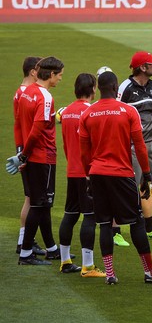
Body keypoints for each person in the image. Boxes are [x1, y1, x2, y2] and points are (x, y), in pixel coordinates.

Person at [79, 71, 152, 285]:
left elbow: (84, 151)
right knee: (137, 222)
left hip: (97, 173)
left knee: (104, 223)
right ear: (115, 87)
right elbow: (139, 146)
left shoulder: (88, 113)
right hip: (121, 174)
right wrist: (146, 175)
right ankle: (150, 272)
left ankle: (110, 273)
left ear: (98, 88)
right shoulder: (128, 111)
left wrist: (88, 176)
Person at [8, 57, 64, 266]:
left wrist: (22, 153)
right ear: (50, 74)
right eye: (59, 75)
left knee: (42, 204)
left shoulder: (26, 93)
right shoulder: (45, 96)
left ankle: (50, 249)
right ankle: (25, 253)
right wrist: (24, 154)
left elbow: (21, 125)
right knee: (39, 205)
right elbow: (37, 130)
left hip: (31, 156)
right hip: (43, 157)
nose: (60, 79)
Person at [117, 51, 152, 242]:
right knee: (128, 188)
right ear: (142, 67)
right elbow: (116, 115)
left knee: (149, 185)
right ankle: (116, 232)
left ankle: (149, 228)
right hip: (131, 145)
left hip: (150, 143)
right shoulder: (125, 88)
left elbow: (151, 115)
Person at [57, 73, 101, 276]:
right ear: (93, 89)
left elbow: (67, 144)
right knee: (90, 216)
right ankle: (88, 265)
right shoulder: (90, 112)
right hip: (88, 172)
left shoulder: (66, 112)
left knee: (70, 214)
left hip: (72, 170)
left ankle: (65, 261)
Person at [11, 56, 47, 258]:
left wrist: (19, 150)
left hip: (25, 151)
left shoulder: (19, 93)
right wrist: (22, 154)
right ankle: (25, 242)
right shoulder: (30, 94)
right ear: (34, 71)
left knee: (31, 198)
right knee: (33, 200)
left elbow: (17, 124)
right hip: (32, 153)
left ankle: (25, 241)